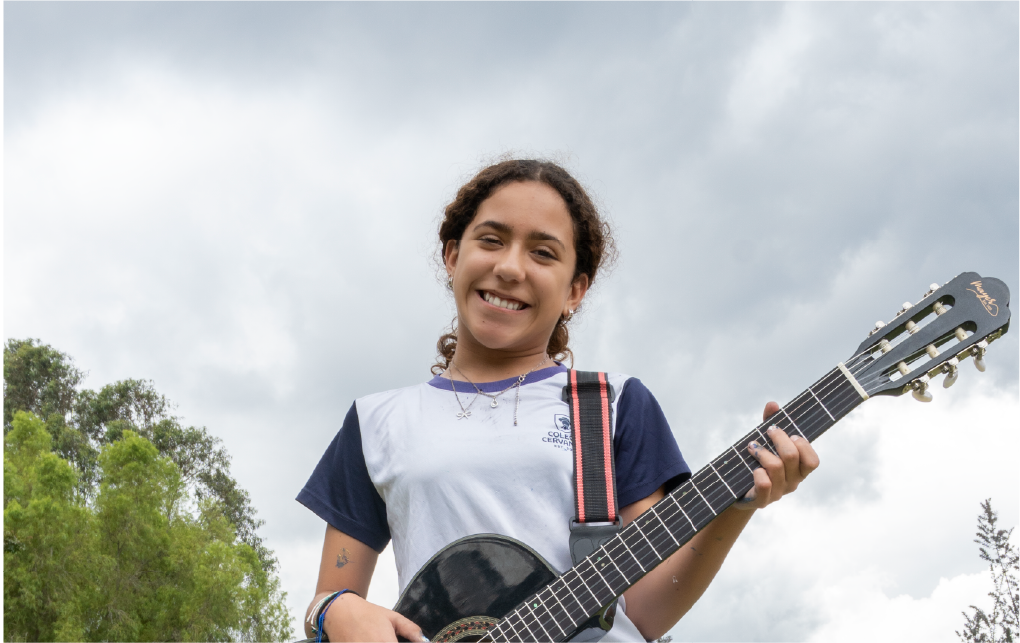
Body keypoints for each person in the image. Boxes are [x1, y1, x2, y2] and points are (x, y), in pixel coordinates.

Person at [296, 159, 819, 642]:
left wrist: (737, 506)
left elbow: (645, 612)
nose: (510, 268)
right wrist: (332, 610)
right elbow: (333, 595)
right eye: (491, 240)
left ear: (575, 290)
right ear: (453, 255)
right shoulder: (376, 422)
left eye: (543, 253)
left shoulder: (614, 404)